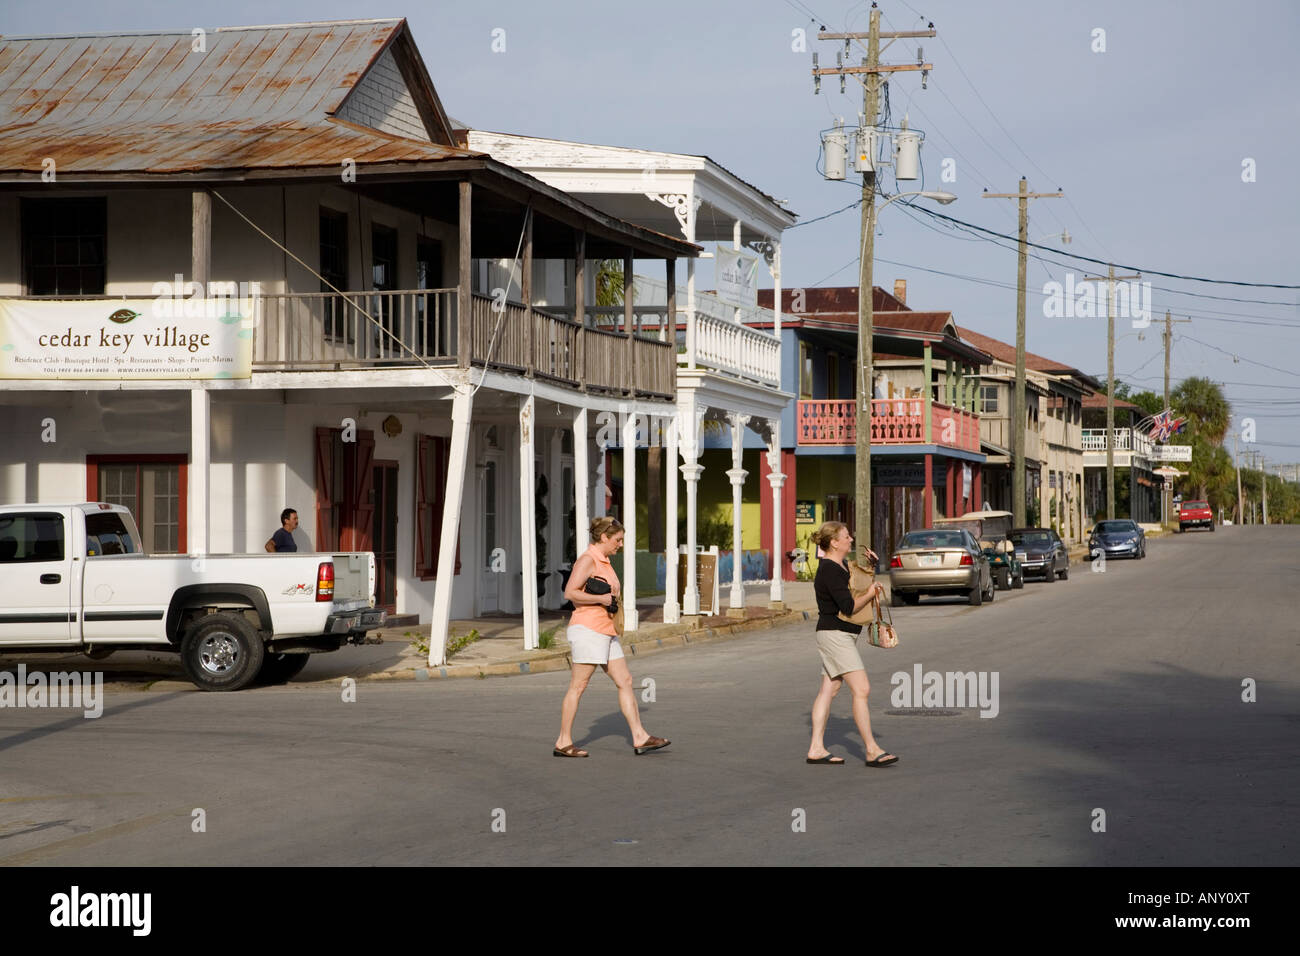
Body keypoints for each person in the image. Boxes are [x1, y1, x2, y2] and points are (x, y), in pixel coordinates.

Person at [553, 516, 669, 758]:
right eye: (617, 539)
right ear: (604, 537)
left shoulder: (603, 561)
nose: (621, 544)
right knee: (578, 685)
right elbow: (570, 592)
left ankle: (640, 737)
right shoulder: (588, 560)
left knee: (625, 680)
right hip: (588, 630)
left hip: (606, 631)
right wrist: (600, 599)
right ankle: (563, 741)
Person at [807, 521, 899, 768]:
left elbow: (855, 583)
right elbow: (848, 607)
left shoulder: (839, 566)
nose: (851, 539)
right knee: (862, 689)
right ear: (834, 542)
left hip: (836, 635)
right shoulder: (830, 570)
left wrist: (872, 566)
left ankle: (816, 747)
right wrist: (872, 593)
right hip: (835, 635)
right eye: (846, 536)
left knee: (830, 689)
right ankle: (871, 750)